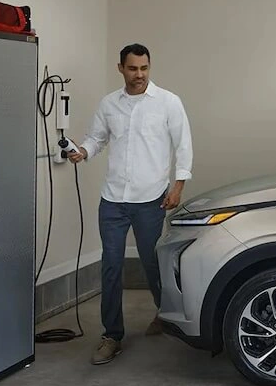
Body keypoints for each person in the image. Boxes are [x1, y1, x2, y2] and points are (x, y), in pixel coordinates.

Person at [69, 43, 193, 364]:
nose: (139, 74)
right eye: (133, 68)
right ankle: (112, 335)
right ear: (121, 68)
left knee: (152, 262)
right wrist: (83, 151)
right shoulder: (109, 104)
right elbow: (97, 138)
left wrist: (178, 185)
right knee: (111, 265)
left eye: (144, 68)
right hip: (112, 199)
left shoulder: (167, 102)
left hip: (150, 198)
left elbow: (183, 145)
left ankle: (165, 313)